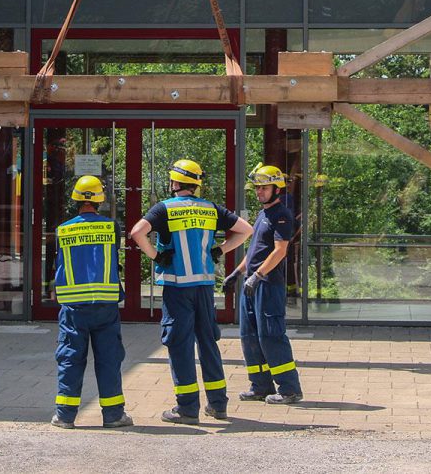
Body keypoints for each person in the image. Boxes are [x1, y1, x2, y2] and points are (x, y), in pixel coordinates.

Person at [130, 159, 253, 424]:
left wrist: (156, 256)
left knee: (180, 344)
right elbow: (246, 230)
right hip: (204, 288)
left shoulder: (164, 208)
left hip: (177, 288)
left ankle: (187, 409)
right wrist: (220, 250)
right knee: (208, 343)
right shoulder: (211, 209)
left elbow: (137, 233)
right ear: (196, 183)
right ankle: (218, 404)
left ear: (174, 182)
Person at [50, 175, 133, 429]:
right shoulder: (111, 227)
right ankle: (113, 415)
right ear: (100, 200)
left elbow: (59, 263)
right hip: (105, 306)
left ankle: (65, 416)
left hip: (74, 307)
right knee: (109, 359)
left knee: (70, 358)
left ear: (75, 198)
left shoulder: (63, 229)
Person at [229, 164, 304, 405]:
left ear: (277, 188)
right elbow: (255, 251)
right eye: (257, 188)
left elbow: (280, 251)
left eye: (264, 188)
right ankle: (260, 385)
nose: (259, 192)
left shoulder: (282, 215)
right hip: (252, 284)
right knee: (249, 336)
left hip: (268, 285)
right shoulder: (263, 214)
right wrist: (238, 272)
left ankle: (289, 389)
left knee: (271, 336)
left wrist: (257, 276)